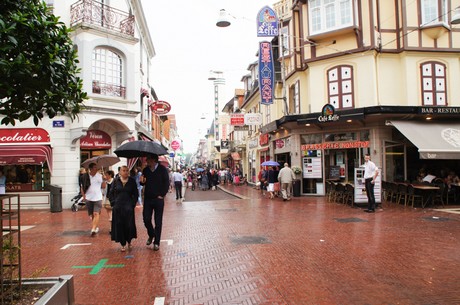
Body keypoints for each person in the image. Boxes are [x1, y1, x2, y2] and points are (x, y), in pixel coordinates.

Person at [140, 154, 170, 251]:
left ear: (153, 160)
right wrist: (141, 181)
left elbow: (166, 183)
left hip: (158, 199)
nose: (146, 161)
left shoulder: (162, 170)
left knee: (158, 222)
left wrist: (162, 194)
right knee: (146, 219)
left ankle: (156, 242)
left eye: (148, 159)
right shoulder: (146, 170)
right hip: (148, 198)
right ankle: (151, 234)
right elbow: (143, 182)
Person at [109, 166, 138, 252]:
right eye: (123, 171)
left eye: (126, 171)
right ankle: (122, 243)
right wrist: (113, 202)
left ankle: (129, 240)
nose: (125, 172)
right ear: (120, 172)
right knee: (119, 224)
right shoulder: (115, 181)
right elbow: (110, 193)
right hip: (118, 207)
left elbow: (135, 194)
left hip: (128, 207)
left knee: (128, 225)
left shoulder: (132, 181)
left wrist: (132, 204)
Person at [81, 163, 106, 236]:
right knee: (92, 214)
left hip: (98, 198)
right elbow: (82, 187)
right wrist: (83, 196)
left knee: (96, 213)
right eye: (95, 167)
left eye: (96, 167)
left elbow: (103, 187)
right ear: (90, 169)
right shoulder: (85, 177)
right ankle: (95, 226)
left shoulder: (100, 176)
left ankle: (93, 229)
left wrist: (104, 180)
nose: (96, 169)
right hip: (89, 198)